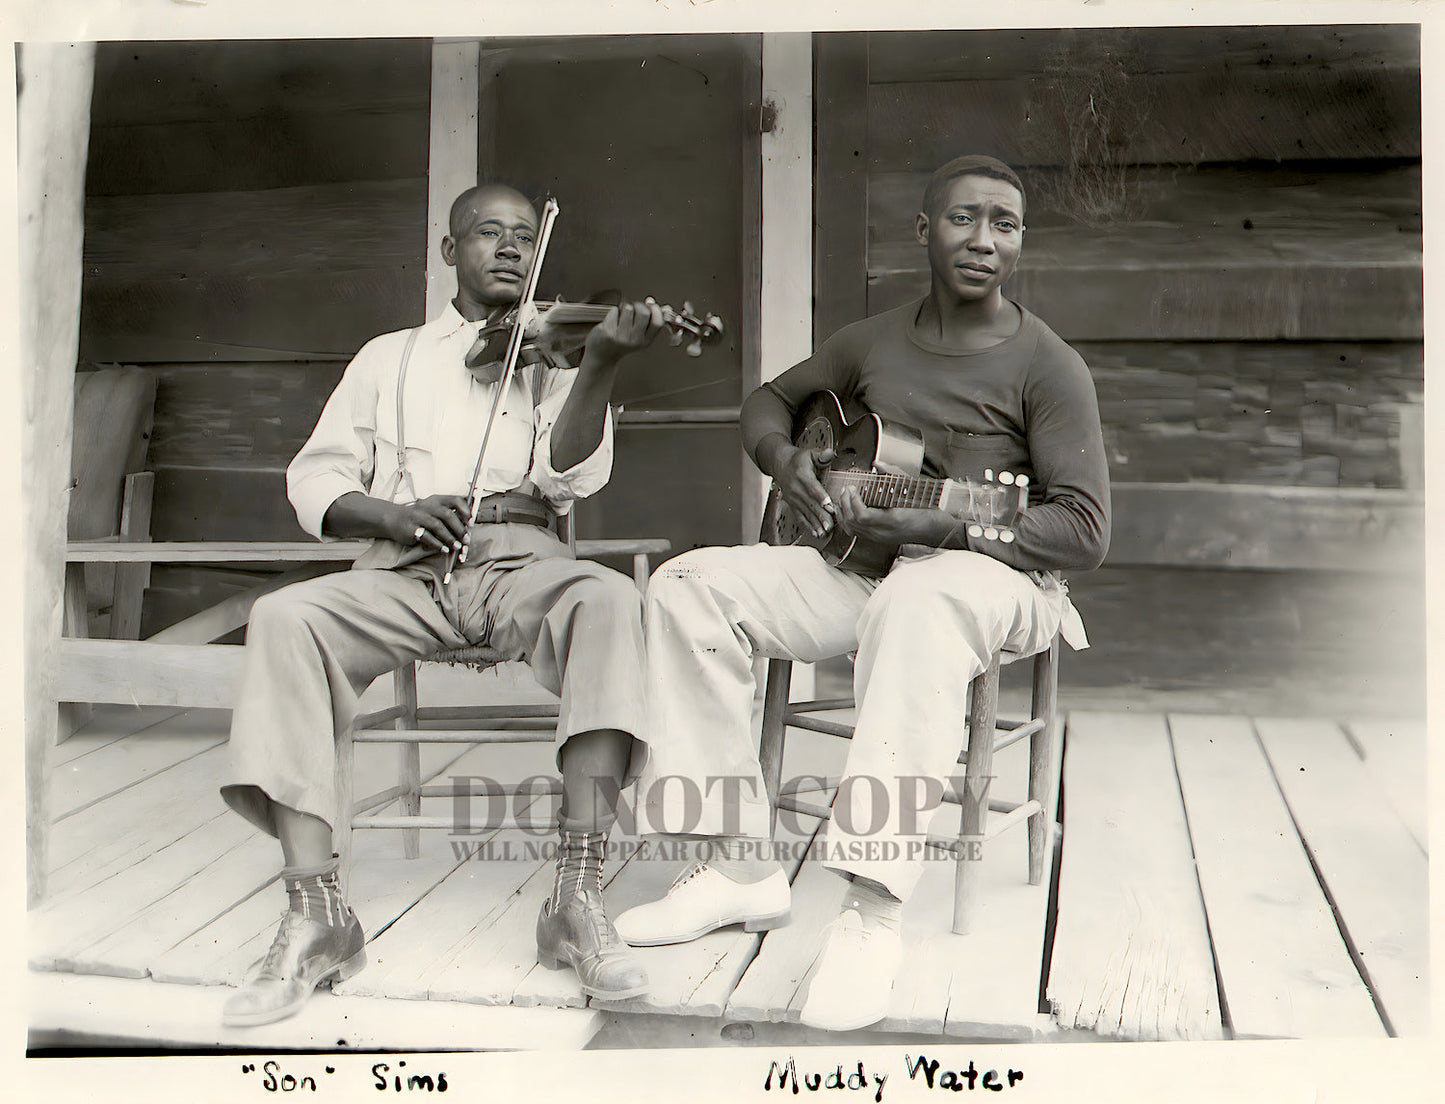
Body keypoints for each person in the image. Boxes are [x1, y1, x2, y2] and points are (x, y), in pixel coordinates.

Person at [616, 155, 1110, 1031]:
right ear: (924, 232)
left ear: (1021, 240)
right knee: (688, 586)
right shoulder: (870, 340)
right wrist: (790, 462)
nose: (984, 240)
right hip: (860, 567)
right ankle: (736, 867)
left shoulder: (1049, 365)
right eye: (964, 220)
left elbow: (1081, 528)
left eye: (1005, 223)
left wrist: (950, 528)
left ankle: (872, 916)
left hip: (998, 576)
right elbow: (768, 403)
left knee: (919, 606)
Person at [219, 183, 666, 1027]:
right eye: (488, 233)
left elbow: (572, 477)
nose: (508, 248)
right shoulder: (386, 357)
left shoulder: (554, 359)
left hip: (518, 559)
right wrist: (390, 515)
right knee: (285, 618)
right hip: (401, 569)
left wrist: (598, 363)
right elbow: (314, 477)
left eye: (524, 238)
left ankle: (575, 898)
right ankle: (318, 915)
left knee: (606, 599)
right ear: (448, 250)